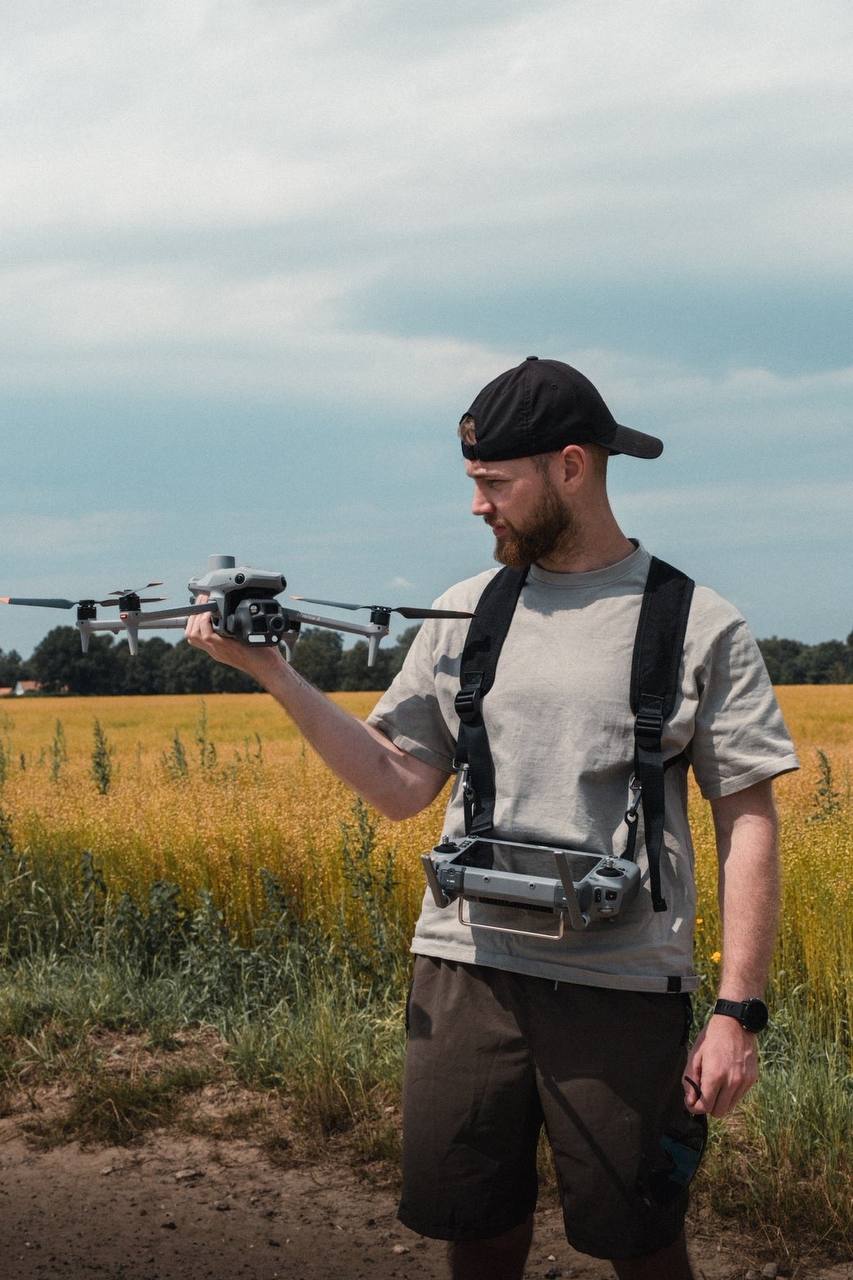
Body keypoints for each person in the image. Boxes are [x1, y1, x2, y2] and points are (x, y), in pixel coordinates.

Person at [186, 356, 798, 1280]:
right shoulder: (465, 612)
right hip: (463, 970)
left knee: (640, 1239)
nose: (477, 506)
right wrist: (274, 674)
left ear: (570, 466)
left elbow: (748, 821)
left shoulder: (696, 623)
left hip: (621, 987)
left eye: (494, 483)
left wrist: (735, 1013)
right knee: (474, 1227)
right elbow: (398, 785)